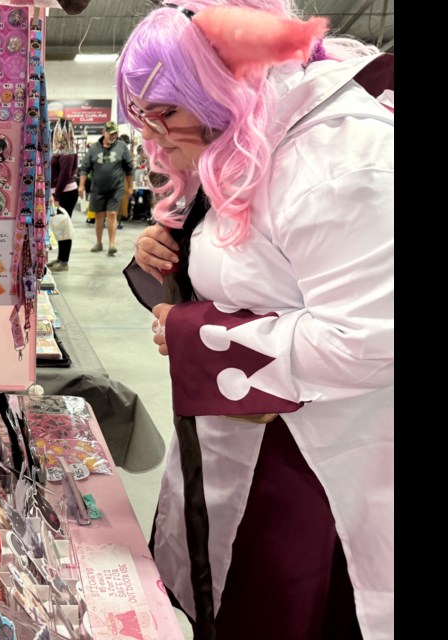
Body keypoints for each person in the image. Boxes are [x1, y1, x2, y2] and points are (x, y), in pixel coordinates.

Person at [122, 2, 393, 638]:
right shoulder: (248, 136)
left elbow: (366, 338)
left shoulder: (341, 157)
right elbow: (257, 266)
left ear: (218, 83)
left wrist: (200, 341)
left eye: (164, 110)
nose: (153, 134)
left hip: (316, 455)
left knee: (286, 607)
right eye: (143, 115)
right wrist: (166, 255)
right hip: (246, 440)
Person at [78, 121, 133, 256]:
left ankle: (112, 244)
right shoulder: (94, 149)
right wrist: (81, 185)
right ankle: (99, 242)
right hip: (97, 189)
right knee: (99, 216)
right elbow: (84, 168)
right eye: (111, 133)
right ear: (104, 133)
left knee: (112, 214)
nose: (113, 136)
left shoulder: (122, 147)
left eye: (115, 134)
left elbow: (129, 168)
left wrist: (130, 186)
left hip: (116, 188)